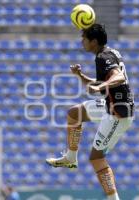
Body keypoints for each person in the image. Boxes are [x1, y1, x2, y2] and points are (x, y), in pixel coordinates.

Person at [46, 24, 134, 200]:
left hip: (118, 113)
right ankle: (71, 157)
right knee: (74, 113)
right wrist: (81, 76)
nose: (82, 41)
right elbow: (99, 84)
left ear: (93, 41)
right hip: (111, 104)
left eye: (84, 38)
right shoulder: (110, 53)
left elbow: (119, 77)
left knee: (96, 158)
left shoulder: (103, 57)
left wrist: (101, 85)